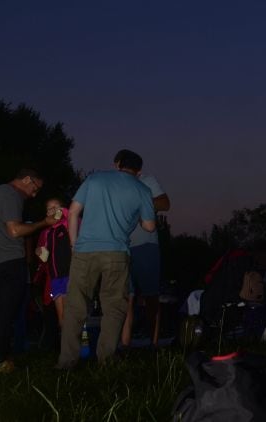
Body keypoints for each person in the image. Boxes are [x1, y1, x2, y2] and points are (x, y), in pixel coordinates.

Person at [56, 149, 155, 369]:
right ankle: (106, 359)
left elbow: (72, 212)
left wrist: (74, 245)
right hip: (116, 253)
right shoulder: (142, 189)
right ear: (138, 172)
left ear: (118, 164)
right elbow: (150, 227)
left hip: (84, 251)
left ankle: (66, 361)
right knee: (114, 307)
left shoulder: (95, 178)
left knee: (75, 306)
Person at [0, 169, 55, 373]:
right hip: (9, 263)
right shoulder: (11, 195)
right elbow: (15, 230)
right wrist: (43, 223)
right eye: (35, 188)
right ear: (27, 179)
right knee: (5, 313)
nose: (34, 194)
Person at [121, 174, 169, 348]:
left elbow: (165, 203)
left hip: (146, 245)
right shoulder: (115, 185)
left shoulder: (147, 181)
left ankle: (154, 344)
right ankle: (125, 345)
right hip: (122, 248)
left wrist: (140, 203)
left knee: (151, 297)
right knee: (127, 298)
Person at [35, 197, 72, 327]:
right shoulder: (46, 232)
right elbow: (44, 259)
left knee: (70, 313)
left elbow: (68, 213)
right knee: (60, 314)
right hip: (55, 278)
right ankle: (65, 343)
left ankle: (76, 344)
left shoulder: (67, 224)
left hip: (69, 275)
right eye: (49, 209)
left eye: (55, 207)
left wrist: (60, 212)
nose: (52, 210)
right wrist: (40, 252)